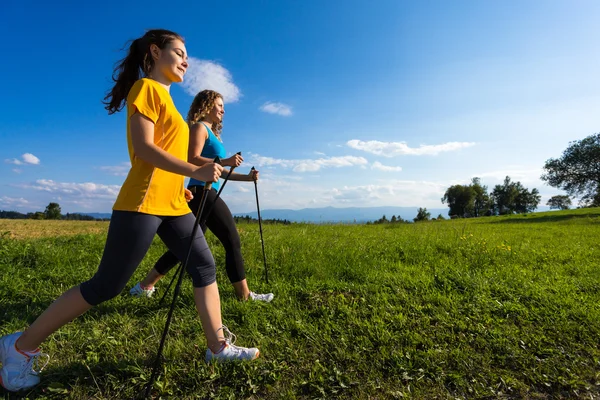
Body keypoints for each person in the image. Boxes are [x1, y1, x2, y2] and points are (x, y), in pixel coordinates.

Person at [0, 29, 259, 393]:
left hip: (173, 203)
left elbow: (166, 156)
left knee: (204, 266)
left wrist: (181, 186)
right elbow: (144, 150)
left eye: (188, 55)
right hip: (141, 203)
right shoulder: (146, 89)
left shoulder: (168, 100)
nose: (187, 60)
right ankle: (19, 347)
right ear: (155, 52)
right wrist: (196, 171)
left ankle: (217, 348)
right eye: (180, 52)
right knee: (106, 285)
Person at [130, 89, 274, 303]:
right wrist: (225, 161)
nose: (223, 110)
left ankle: (145, 285)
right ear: (206, 106)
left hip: (206, 191)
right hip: (201, 192)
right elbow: (192, 158)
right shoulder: (199, 128)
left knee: (186, 246)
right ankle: (244, 295)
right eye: (219, 105)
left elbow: (220, 171)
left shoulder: (214, 134)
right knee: (232, 239)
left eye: (224, 106)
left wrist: (247, 178)